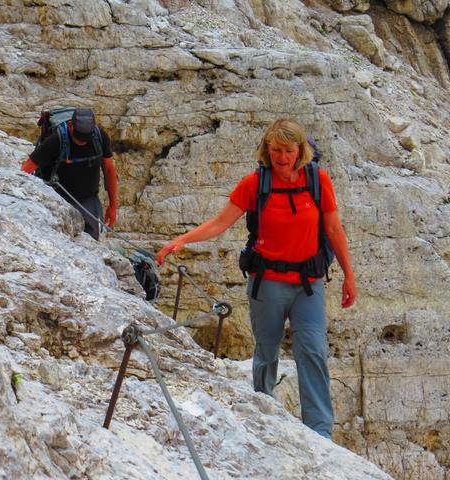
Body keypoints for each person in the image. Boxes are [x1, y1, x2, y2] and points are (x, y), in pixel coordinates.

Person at [156, 118, 357, 439]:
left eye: (288, 151)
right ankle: (266, 409)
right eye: (276, 150)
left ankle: (320, 432)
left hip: (308, 285)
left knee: (313, 350)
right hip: (268, 283)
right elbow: (220, 223)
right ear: (267, 150)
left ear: (300, 151)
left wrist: (349, 275)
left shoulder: (318, 181)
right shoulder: (255, 184)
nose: (282, 157)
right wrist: (183, 240)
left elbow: (333, 229)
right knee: (267, 350)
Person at [21, 108, 117, 240]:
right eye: (78, 138)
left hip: (89, 201)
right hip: (57, 200)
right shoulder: (56, 141)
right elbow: (25, 170)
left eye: (86, 139)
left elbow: (109, 170)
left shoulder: (100, 137)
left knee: (91, 241)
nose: (82, 142)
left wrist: (113, 206)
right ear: (70, 125)